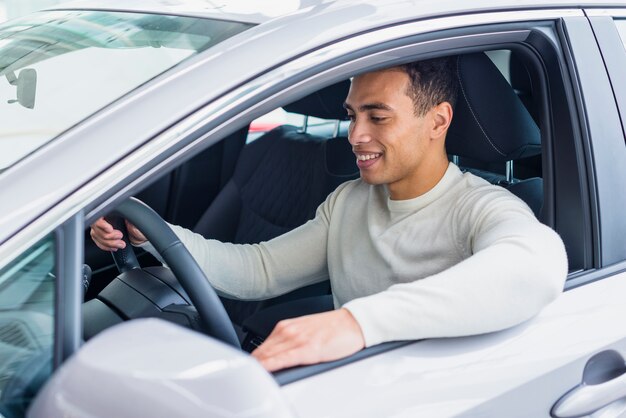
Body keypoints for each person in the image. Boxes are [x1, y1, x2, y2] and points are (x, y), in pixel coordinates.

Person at [91, 57, 568, 372]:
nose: (354, 134)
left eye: (377, 117)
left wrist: (355, 323)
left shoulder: (481, 207)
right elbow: (259, 270)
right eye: (352, 114)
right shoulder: (350, 201)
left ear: (438, 121)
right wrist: (150, 234)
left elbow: (537, 266)